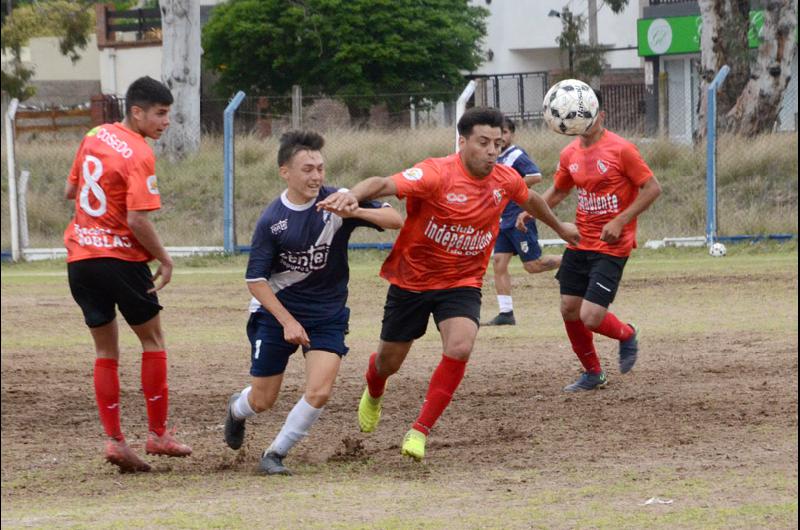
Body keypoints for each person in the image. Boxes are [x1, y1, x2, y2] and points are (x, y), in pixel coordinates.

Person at [317, 107, 580, 461]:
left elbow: (530, 199)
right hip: (412, 281)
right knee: (388, 363)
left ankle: (419, 430)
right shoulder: (436, 173)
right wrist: (353, 194)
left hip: (462, 281)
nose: (492, 151)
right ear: (462, 142)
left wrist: (560, 228)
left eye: (497, 144)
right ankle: (374, 390)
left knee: (460, 346)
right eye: (483, 142)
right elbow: (382, 183)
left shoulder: (504, 179)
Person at [223, 130, 402, 476]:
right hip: (277, 313)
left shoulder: (338, 200)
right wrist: (288, 321)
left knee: (319, 392)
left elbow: (396, 220)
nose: (316, 176)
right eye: (307, 169)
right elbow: (255, 281)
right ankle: (236, 409)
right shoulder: (272, 220)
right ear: (285, 172)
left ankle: (274, 454)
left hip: (327, 313)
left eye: (320, 168)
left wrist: (353, 209)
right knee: (263, 399)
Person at [64, 76, 192, 473]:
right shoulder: (139, 152)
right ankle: (158, 435)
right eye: (160, 113)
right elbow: (137, 219)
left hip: (81, 258)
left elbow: (71, 191)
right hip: (120, 259)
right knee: (153, 341)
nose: (166, 122)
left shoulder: (93, 135)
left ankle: (116, 441)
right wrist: (165, 259)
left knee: (105, 352)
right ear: (137, 112)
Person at [518, 89, 662, 392]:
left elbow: (652, 188)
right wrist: (533, 211)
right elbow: (560, 190)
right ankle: (593, 373)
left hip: (612, 245)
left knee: (591, 317)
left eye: (588, 117)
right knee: (569, 309)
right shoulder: (569, 153)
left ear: (601, 116)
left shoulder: (622, 150)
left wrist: (621, 220)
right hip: (580, 241)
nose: (582, 122)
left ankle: (627, 334)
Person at [484, 117, 562, 326]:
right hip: (502, 219)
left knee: (533, 266)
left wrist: (510, 186)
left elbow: (535, 175)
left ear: (512, 134)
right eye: (498, 133)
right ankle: (506, 313)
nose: (501, 137)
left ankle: (573, 260)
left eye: (505, 132)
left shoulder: (516, 154)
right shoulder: (495, 157)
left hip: (519, 217)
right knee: (498, 262)